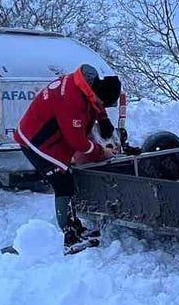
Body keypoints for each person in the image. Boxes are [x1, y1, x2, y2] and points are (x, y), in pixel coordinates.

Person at [14, 64, 121, 248]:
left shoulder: (86, 83)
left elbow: (95, 101)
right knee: (62, 182)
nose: (101, 106)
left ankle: (75, 227)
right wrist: (101, 151)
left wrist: (103, 119)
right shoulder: (72, 102)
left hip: (48, 133)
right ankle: (69, 235)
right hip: (36, 141)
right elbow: (77, 142)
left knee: (66, 179)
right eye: (103, 103)